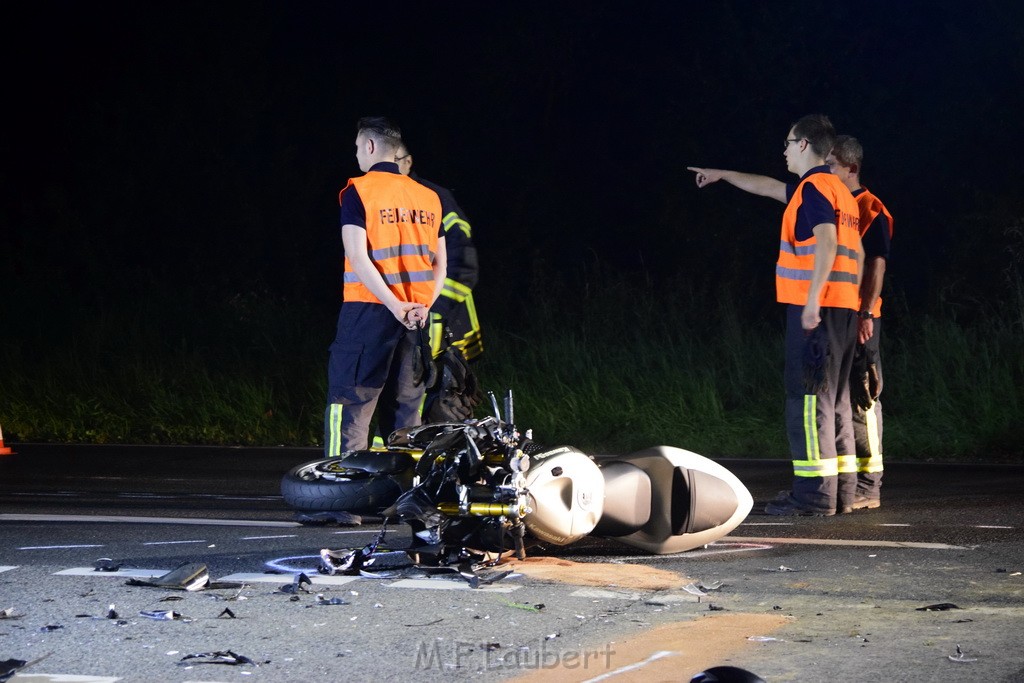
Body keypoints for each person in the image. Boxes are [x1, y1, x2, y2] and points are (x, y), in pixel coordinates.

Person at [687, 114, 863, 516]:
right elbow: (767, 187)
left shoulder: (815, 190)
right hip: (844, 309)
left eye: (787, 143)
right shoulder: (834, 188)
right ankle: (841, 494)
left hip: (817, 308)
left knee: (806, 401)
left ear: (803, 144)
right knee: (834, 401)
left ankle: (813, 497)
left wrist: (813, 300)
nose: (783, 150)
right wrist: (724, 174)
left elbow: (827, 240)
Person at [324, 117, 447, 455]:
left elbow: (358, 257)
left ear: (371, 146)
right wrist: (421, 307)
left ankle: (340, 501)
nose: (357, 155)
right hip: (418, 320)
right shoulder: (429, 197)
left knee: (351, 405)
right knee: (406, 415)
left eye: (357, 148)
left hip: (369, 311)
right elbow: (441, 265)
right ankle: (404, 503)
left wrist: (395, 306)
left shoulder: (359, 191)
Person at [826, 135, 894, 512]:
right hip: (837, 313)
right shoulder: (836, 204)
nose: (827, 171)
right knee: (838, 398)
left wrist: (866, 313)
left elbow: (877, 264)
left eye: (832, 165)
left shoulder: (872, 208)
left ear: (851, 168)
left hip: (860, 316)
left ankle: (870, 485)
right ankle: (848, 485)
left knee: (863, 398)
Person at [394, 142, 483, 361]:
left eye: (393, 160)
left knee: (440, 389)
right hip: (404, 320)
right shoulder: (378, 200)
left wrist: (435, 307)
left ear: (408, 161)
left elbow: (463, 263)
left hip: (443, 322)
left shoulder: (435, 198)